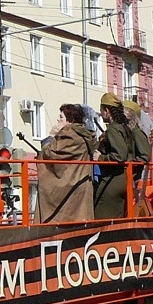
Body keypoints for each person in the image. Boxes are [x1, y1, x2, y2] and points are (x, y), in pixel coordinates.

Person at [37, 103, 96, 223]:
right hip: (82, 183)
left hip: (71, 188)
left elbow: (51, 154)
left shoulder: (69, 135)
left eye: (61, 117)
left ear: (70, 120)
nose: (58, 120)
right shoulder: (83, 134)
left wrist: (50, 137)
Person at [93, 92, 136, 220]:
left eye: (101, 110)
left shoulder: (113, 129)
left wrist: (100, 158)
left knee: (102, 216)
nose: (101, 113)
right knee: (118, 217)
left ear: (107, 110)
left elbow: (120, 155)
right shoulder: (125, 128)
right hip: (125, 178)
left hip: (113, 179)